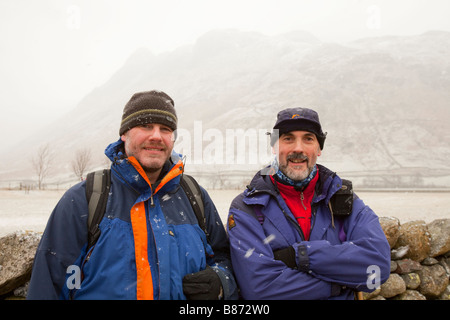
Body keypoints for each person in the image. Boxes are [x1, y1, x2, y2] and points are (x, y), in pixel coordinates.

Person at [27, 90, 238, 300]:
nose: (156, 136)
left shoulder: (195, 196)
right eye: (146, 126)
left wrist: (220, 281)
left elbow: (224, 258)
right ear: (124, 134)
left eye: (165, 129)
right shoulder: (86, 198)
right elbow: (50, 284)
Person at [227, 107, 391, 300]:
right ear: (274, 147)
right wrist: (338, 284)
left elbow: (377, 267)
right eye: (288, 138)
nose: (298, 148)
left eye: (308, 139)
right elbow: (260, 289)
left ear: (319, 149)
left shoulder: (344, 201)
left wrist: (301, 256)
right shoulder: (247, 208)